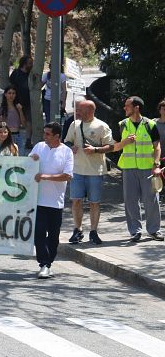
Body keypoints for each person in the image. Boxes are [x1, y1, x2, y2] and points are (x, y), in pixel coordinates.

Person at [111, 96, 162, 242]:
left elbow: (157, 146)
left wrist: (156, 164)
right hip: (128, 168)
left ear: (136, 107)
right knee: (130, 201)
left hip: (148, 168)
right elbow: (114, 147)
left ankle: (154, 230)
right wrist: (125, 142)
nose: (124, 108)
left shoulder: (150, 124)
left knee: (151, 200)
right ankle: (135, 231)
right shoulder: (122, 125)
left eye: (127, 106)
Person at [64, 100, 114, 245]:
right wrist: (69, 147)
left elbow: (110, 146)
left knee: (94, 202)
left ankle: (93, 231)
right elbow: (66, 141)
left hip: (95, 171)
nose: (77, 111)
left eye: (80, 109)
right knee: (76, 201)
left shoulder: (101, 126)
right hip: (77, 170)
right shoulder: (74, 124)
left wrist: (96, 150)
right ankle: (77, 230)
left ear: (89, 111)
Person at [29, 122, 74, 279]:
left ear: (57, 136)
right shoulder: (39, 147)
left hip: (56, 202)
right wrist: (31, 160)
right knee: (39, 233)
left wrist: (44, 177)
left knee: (53, 236)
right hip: (39, 200)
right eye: (44, 133)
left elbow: (67, 176)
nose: (45, 136)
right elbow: (27, 166)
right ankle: (44, 264)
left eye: (48, 134)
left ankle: (49, 262)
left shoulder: (67, 152)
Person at [10, 56, 34, 149]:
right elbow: (11, 87)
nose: (31, 65)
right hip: (17, 102)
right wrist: (14, 101)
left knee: (29, 122)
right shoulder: (16, 73)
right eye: (30, 63)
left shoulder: (31, 74)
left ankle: (28, 140)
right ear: (24, 64)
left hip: (28, 102)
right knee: (15, 122)